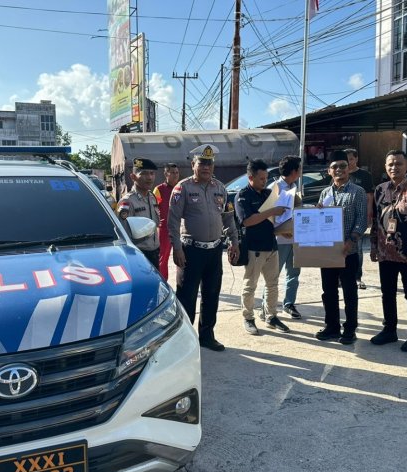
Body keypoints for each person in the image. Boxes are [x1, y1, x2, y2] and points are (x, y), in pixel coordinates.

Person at [168, 144, 239, 352]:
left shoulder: (220, 188)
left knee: (211, 294)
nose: (206, 167)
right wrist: (177, 248)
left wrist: (234, 241)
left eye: (209, 163)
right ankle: (183, 340)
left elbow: (228, 217)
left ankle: (206, 336)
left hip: (214, 251)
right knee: (186, 296)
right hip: (191, 251)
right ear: (193, 165)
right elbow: (172, 222)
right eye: (202, 163)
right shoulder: (183, 188)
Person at [369, 150, 407, 352]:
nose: (394, 167)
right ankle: (389, 330)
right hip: (385, 253)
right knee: (387, 293)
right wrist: (374, 247)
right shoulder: (379, 190)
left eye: (398, 164)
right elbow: (376, 222)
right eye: (390, 164)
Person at [315, 150, 367, 345]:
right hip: (327, 252)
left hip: (348, 251)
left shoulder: (358, 192)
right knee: (328, 291)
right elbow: (319, 222)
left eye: (343, 166)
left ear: (349, 168)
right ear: (329, 171)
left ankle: (350, 329)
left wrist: (351, 241)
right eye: (335, 167)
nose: (339, 170)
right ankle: (332, 327)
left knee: (349, 292)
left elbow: (362, 221)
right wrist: (316, 213)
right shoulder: (325, 193)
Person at [234, 159, 289, 335]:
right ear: (251, 177)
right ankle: (248, 317)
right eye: (261, 178)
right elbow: (248, 221)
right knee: (251, 284)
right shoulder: (242, 196)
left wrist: (283, 231)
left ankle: (271, 316)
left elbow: (271, 223)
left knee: (272, 284)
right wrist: (271, 211)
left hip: (271, 246)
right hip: (254, 248)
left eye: (266, 178)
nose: (264, 181)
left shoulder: (268, 195)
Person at [269, 155, 304, 319]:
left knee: (294, 273)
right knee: (273, 275)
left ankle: (289, 303)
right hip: (279, 240)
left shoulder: (295, 186)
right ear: (295, 171)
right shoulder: (274, 188)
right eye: (300, 168)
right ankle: (267, 307)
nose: (300, 171)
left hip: (295, 239)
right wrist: (281, 230)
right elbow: (268, 216)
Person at [117, 157, 161, 269]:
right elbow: (123, 235)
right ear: (133, 177)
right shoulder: (127, 201)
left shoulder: (152, 197)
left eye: (152, 173)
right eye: (144, 174)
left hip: (154, 252)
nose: (150, 177)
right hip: (138, 254)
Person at [345, 148, 374, 290]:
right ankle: (341, 277)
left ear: (356, 159)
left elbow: (369, 197)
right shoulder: (340, 174)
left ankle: (357, 277)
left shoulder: (364, 175)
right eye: (346, 159)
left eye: (351, 159)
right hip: (342, 220)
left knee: (358, 248)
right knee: (341, 247)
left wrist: (368, 215)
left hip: (359, 218)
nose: (348, 162)